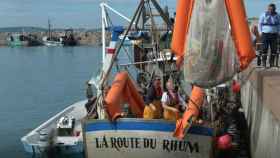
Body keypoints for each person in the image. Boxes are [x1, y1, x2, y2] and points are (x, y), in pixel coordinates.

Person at [258, 3, 280, 67]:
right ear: (268, 9)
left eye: (272, 9)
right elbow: (260, 24)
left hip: (274, 34)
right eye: (269, 9)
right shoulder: (263, 15)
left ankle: (272, 63)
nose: (271, 10)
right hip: (265, 34)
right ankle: (264, 62)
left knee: (274, 49)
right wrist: (260, 32)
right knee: (264, 48)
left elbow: (279, 24)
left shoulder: (277, 15)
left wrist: (278, 32)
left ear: (274, 9)